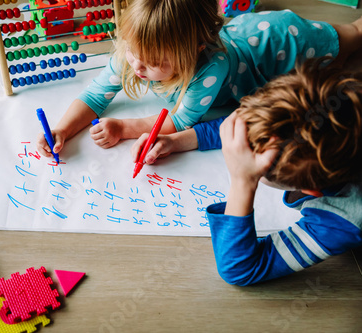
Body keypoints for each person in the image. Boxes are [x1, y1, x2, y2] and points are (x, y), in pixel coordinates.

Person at [38, 0, 362, 158]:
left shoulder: (211, 67)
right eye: (133, 52)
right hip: (248, 33)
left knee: (351, 40)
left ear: (194, 51)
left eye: (154, 63)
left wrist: (124, 128)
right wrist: (63, 129)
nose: (137, 66)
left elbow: (181, 121)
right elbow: (96, 95)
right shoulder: (135, 51)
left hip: (283, 44)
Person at [141, 57, 362, 286]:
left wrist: (242, 181)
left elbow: (240, 269)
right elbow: (259, 128)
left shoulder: (344, 218)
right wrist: (177, 141)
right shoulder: (344, 102)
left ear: (309, 191)